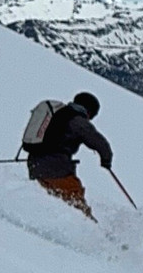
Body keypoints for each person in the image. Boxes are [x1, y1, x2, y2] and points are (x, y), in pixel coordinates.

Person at [26, 92, 113, 221]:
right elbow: (99, 142)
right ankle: (89, 231)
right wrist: (106, 160)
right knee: (76, 200)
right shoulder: (78, 121)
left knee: (54, 199)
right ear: (89, 111)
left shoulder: (57, 114)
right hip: (57, 169)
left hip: (35, 165)